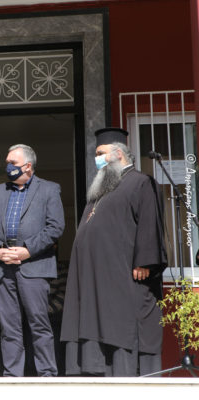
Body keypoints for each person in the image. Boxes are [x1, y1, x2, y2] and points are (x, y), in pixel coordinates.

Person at [61, 127, 167, 376]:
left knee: (122, 323)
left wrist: (145, 261)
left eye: (101, 153)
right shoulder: (102, 188)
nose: (97, 158)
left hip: (125, 274)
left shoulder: (140, 182)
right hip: (96, 278)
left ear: (118, 153)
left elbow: (150, 222)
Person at [0, 144, 65, 377]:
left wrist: (27, 250)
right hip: (2, 267)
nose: (8, 167)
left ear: (28, 166)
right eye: (7, 162)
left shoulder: (49, 189)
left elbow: (55, 227)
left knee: (39, 324)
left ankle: (47, 375)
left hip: (34, 266)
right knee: (9, 327)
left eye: (13, 163)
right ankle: (12, 376)